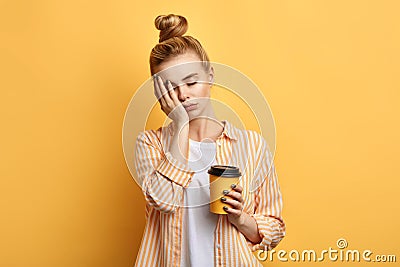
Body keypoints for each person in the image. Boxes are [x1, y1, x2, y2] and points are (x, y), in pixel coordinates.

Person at [134, 14, 285, 267]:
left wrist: (241, 218)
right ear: (159, 92)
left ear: (211, 76)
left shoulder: (252, 146)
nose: (183, 95)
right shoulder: (150, 144)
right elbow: (163, 201)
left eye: (191, 81)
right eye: (171, 88)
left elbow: (274, 229)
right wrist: (181, 125)